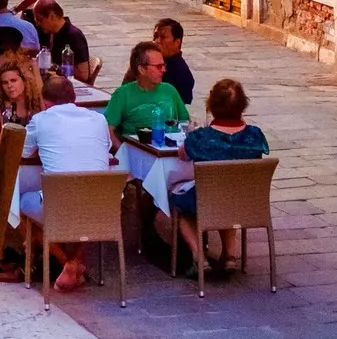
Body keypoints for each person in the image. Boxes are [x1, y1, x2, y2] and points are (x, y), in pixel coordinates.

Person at [18, 74, 115, 292]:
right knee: (86, 205)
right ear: (74, 97)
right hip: (102, 209)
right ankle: (77, 260)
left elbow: (23, 152)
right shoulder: (98, 119)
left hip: (59, 207)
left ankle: (67, 263)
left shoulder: (41, 120)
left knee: (20, 203)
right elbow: (106, 147)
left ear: (45, 101)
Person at [171, 79, 271, 267]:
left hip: (209, 199)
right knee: (230, 193)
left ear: (212, 106)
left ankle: (199, 257)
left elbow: (182, 155)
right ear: (242, 107)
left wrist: (193, 132)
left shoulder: (200, 138)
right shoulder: (254, 135)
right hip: (246, 200)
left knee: (180, 206)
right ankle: (230, 255)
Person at [105, 41, 190, 147]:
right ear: (142, 69)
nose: (164, 70)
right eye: (159, 66)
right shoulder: (122, 95)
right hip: (138, 151)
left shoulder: (170, 90)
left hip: (171, 151)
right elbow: (107, 130)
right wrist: (123, 154)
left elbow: (186, 122)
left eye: (164, 65)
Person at [0, 46, 44, 148]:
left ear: (24, 81)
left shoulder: (35, 104)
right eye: (5, 83)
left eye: (13, 80)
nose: (9, 86)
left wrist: (36, 72)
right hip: (4, 157)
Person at [25, 0, 96, 84]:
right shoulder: (50, 32)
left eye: (40, 19)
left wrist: (54, 67)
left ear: (52, 16)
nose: (38, 24)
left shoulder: (74, 36)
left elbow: (83, 74)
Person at [151, 18, 194, 103]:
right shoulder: (145, 62)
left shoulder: (181, 72)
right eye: (155, 36)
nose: (157, 41)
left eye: (163, 37)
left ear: (177, 42)